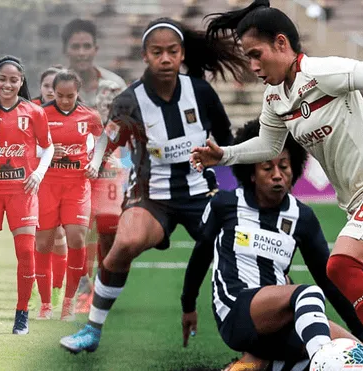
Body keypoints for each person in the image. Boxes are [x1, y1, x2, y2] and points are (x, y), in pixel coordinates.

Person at [191, 1, 363, 368]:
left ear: (282, 44)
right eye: (248, 58)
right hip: (360, 196)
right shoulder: (275, 97)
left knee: (340, 266)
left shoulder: (321, 72)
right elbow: (269, 145)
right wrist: (224, 156)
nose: (253, 67)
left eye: (257, 55)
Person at [60, 17, 246, 353]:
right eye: (157, 52)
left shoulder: (200, 92)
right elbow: (109, 137)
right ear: (145, 55)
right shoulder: (131, 99)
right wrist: (95, 159)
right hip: (152, 199)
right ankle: (92, 330)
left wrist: (222, 155)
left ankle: (263, 331)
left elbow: (227, 137)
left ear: (182, 54)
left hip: (200, 196)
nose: (165, 59)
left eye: (172, 52)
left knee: (243, 246)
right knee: (122, 246)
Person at [181, 119, 363, 370]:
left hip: (280, 317)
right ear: (251, 173)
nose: (277, 175)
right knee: (308, 294)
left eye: (284, 166)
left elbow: (329, 280)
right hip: (236, 311)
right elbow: (200, 255)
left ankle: (256, 365)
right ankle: (318, 362)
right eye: (267, 168)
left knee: (357, 355)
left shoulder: (302, 216)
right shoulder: (225, 205)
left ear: (295, 170)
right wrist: (188, 306)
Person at [0, 55, 54, 335]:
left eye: (14, 80)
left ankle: (22, 314)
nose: (8, 85)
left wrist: (38, 173)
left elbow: (49, 147)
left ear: (21, 82)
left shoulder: (34, 112)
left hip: (23, 192)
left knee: (25, 253)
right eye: (3, 79)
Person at [35, 69, 108, 321]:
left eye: (70, 96)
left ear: (78, 93)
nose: (65, 100)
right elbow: (28, 143)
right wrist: (43, 152)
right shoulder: (41, 113)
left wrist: (95, 163)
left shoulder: (89, 115)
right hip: (47, 184)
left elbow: (102, 138)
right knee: (43, 242)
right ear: (53, 92)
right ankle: (45, 304)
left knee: (77, 238)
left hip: (77, 184)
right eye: (60, 95)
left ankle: (69, 302)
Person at [76, 79, 127, 314]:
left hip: (114, 196)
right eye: (105, 93)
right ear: (97, 97)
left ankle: (101, 290)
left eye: (115, 94)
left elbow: (135, 159)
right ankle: (83, 292)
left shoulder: (129, 126)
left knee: (108, 246)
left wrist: (120, 162)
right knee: (82, 242)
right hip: (87, 192)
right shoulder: (87, 123)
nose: (108, 99)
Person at [30, 65, 69, 312]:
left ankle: (57, 288)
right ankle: (40, 287)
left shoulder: (73, 111)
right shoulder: (32, 111)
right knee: (40, 238)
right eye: (47, 86)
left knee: (60, 235)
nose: (51, 91)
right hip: (38, 181)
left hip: (66, 183)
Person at [61, 18, 127, 105]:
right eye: (75, 47)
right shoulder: (53, 86)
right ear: (65, 51)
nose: (82, 53)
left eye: (87, 46)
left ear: (95, 49)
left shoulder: (115, 85)